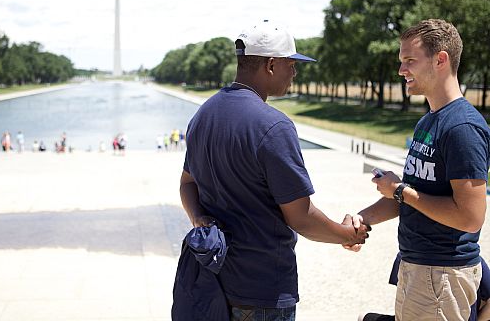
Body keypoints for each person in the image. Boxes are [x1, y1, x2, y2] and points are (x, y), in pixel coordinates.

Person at [178, 20, 369, 320]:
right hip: (262, 289)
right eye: (290, 64)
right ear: (270, 65)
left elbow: (187, 184)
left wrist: (198, 219)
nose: (294, 72)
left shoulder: (204, 114)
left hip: (213, 281)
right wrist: (347, 234)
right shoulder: (273, 126)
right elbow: (301, 217)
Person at [349, 19, 490, 321]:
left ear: (441, 60)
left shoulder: (462, 127)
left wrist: (400, 189)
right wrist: (364, 219)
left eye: (409, 61)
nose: (401, 71)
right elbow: (413, 197)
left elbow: (470, 217)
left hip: (442, 275)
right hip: (418, 270)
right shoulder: (428, 122)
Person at [359, 254, 490, 321]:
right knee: (364, 317)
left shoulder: (406, 255)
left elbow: (403, 299)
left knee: (364, 317)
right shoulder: (470, 260)